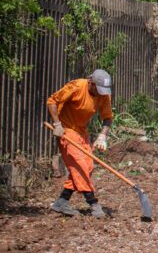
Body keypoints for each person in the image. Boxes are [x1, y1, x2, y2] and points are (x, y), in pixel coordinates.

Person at [47, 69, 114, 218]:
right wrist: (57, 124)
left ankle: (62, 201)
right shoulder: (77, 87)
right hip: (67, 130)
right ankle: (93, 203)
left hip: (82, 132)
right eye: (99, 89)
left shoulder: (103, 95)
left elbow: (107, 117)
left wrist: (102, 135)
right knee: (81, 166)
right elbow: (52, 101)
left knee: (88, 167)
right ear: (91, 83)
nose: (101, 94)